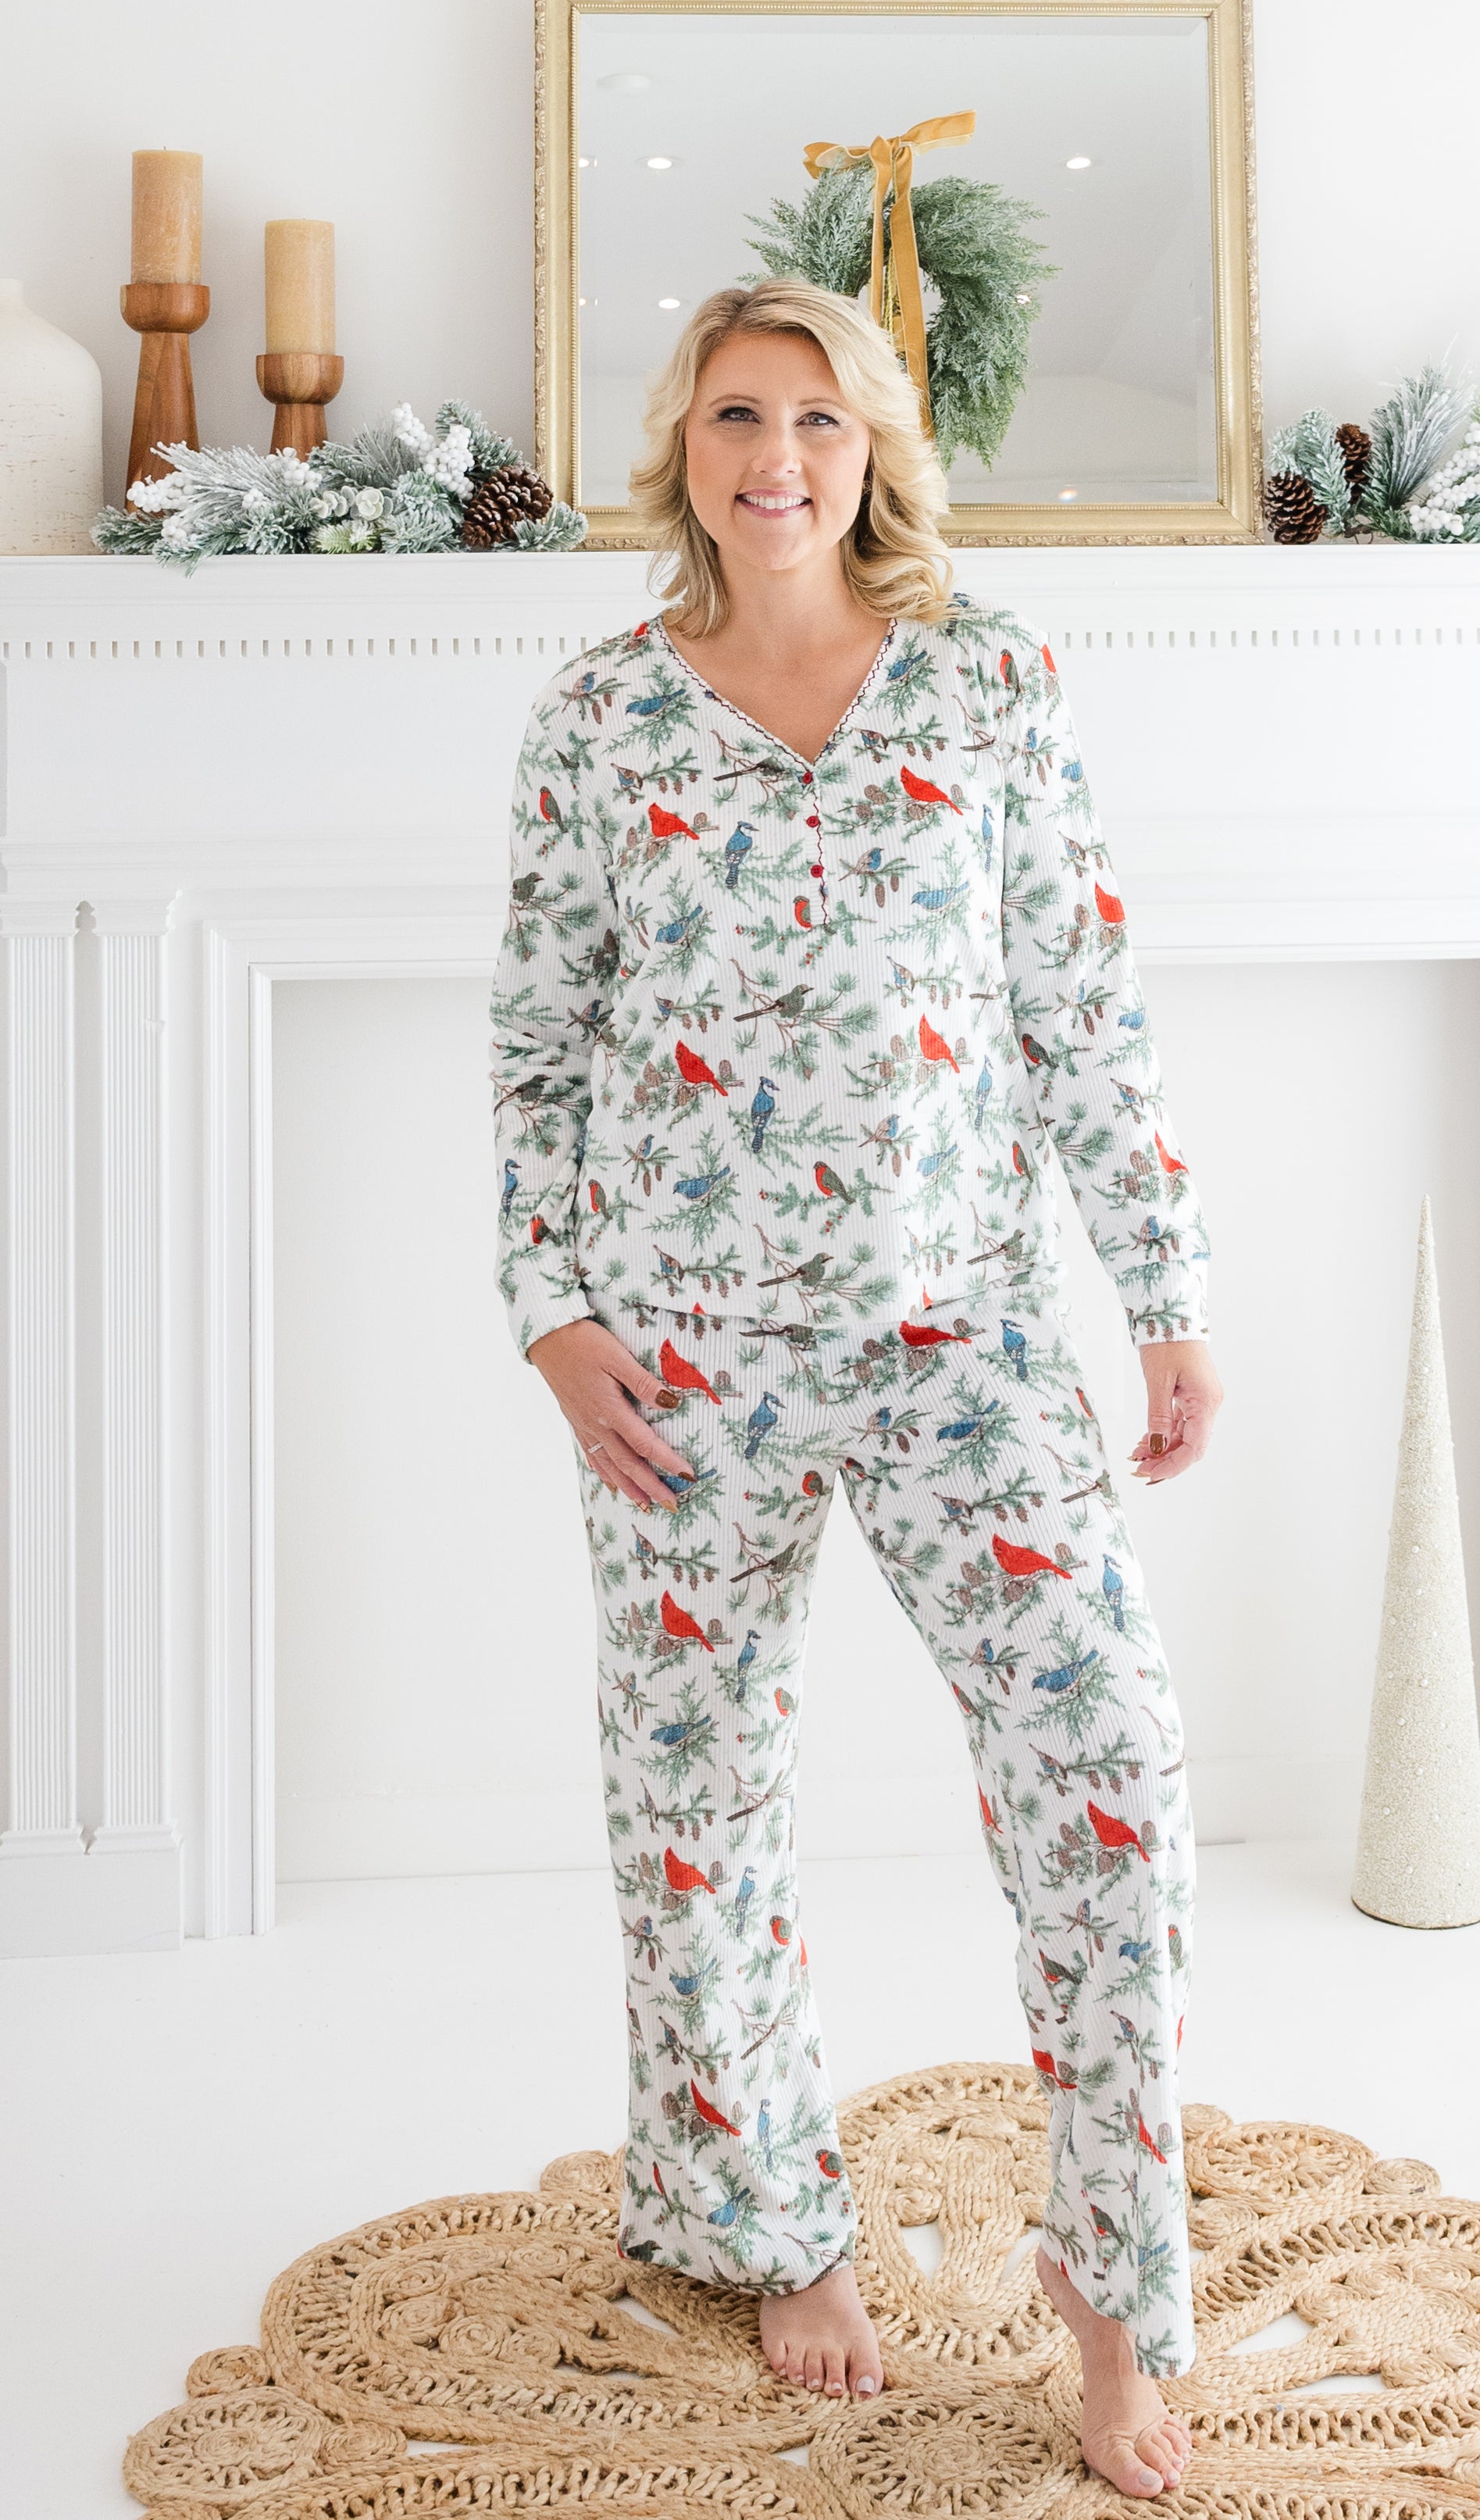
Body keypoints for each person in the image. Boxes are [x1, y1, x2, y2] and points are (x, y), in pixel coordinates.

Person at [488, 278, 1222, 2499]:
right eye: (738, 415)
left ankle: (1113, 2292)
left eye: (818, 418)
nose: (776, 458)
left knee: (1107, 1760)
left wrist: (1162, 1293)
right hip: (676, 1350)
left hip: (957, 1337)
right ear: (682, 446)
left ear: (876, 446)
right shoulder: (599, 718)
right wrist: (551, 1311)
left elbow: (1079, 1010)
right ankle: (773, 2227)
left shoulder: (988, 683)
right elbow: (538, 1043)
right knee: (696, 1802)